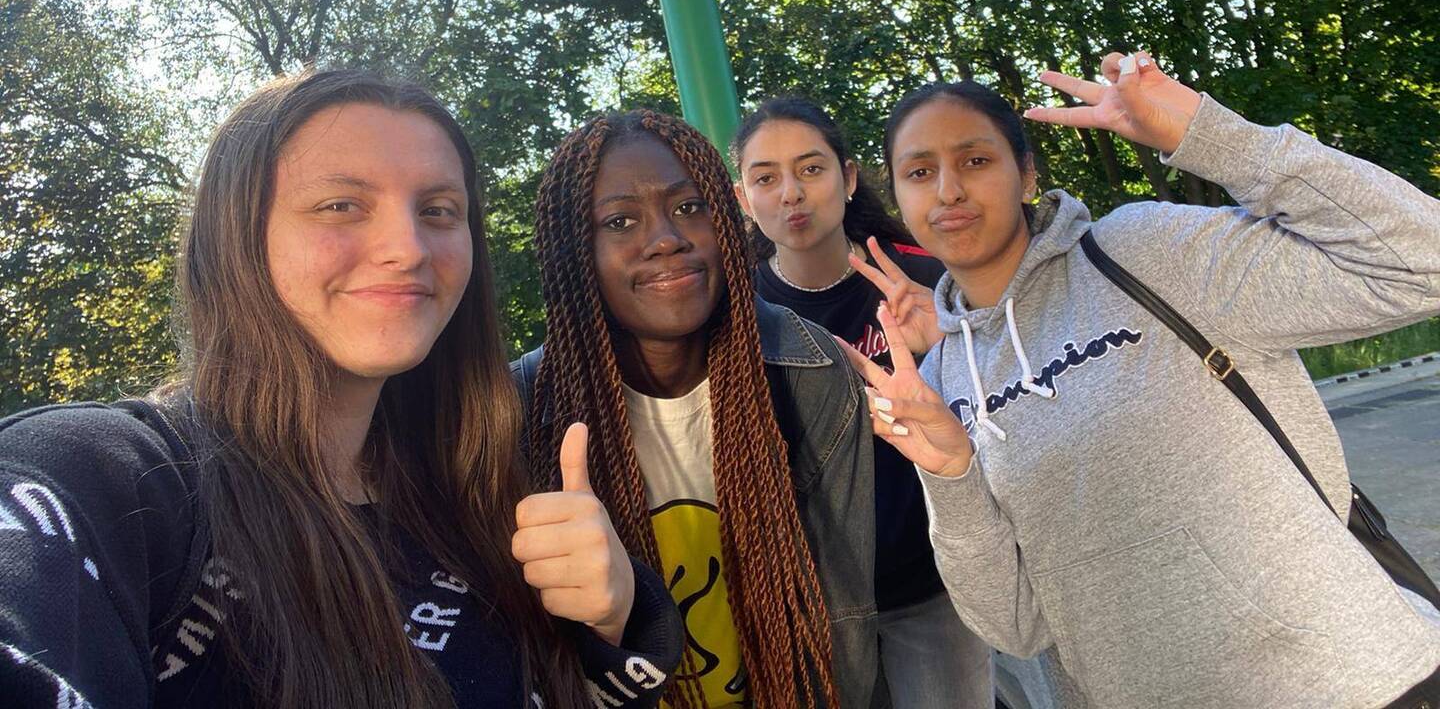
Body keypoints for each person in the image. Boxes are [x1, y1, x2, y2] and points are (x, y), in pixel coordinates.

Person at [0, 69, 683, 709]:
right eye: (340, 205)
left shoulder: (481, 490)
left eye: (439, 210)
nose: (408, 248)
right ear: (236, 235)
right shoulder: (105, 479)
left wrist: (610, 624)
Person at [849, 52, 1440, 708]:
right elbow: (1013, 626)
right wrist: (951, 474)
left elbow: (1422, 264)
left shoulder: (1144, 255)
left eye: (976, 160)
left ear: (1027, 174)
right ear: (899, 196)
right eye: (920, 172)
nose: (949, 190)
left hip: (1344, 684)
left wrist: (1212, 136)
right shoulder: (942, 379)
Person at [517, 108, 877, 709]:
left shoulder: (810, 371)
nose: (666, 238)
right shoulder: (519, 411)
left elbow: (844, 611)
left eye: (690, 208)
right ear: (575, 253)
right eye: (620, 221)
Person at [731, 96, 993, 709]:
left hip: (937, 583)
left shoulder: (929, 278)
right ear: (743, 199)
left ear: (848, 178)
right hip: (817, 602)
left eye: (811, 168)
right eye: (765, 178)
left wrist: (949, 346)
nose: (791, 193)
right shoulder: (735, 313)